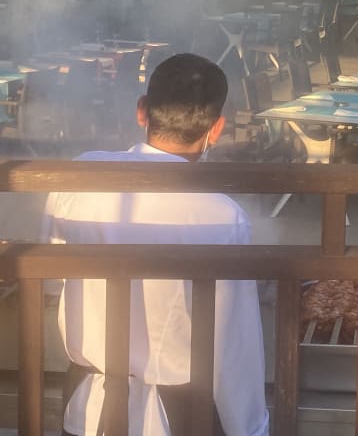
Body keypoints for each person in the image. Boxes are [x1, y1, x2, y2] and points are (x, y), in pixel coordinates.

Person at [44, 53, 269, 436]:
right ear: (216, 129)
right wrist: (251, 429)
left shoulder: (77, 176)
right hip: (178, 415)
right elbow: (233, 347)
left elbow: (52, 280)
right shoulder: (223, 216)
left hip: (86, 410)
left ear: (142, 111)